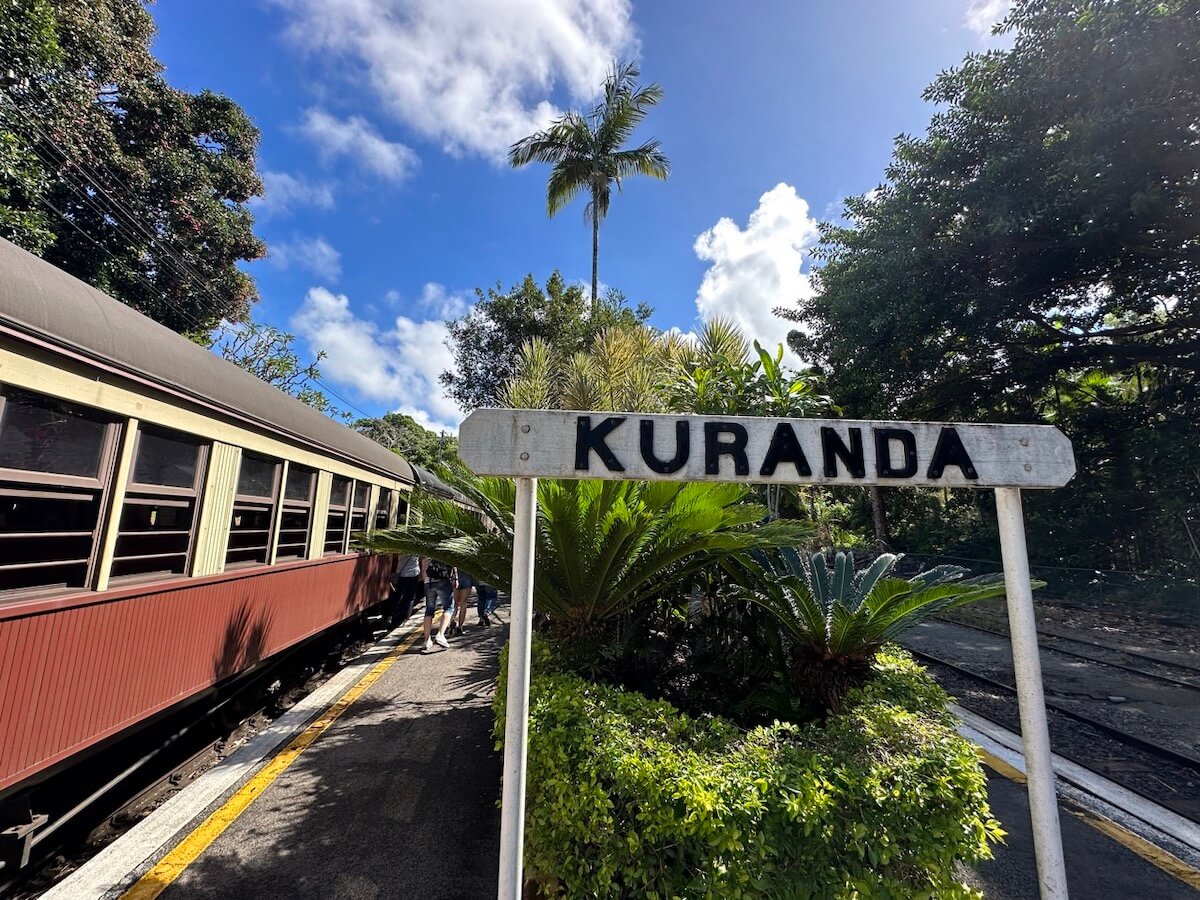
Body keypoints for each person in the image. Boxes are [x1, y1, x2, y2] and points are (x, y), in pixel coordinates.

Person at [421, 556, 456, 651]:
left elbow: (424, 567)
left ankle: (427, 640)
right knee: (449, 608)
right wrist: (455, 579)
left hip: (429, 582)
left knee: (429, 610)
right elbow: (453, 565)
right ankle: (440, 635)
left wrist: (426, 581)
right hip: (444, 581)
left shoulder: (426, 549)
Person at [389, 553, 421, 625]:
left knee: (398, 596)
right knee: (410, 597)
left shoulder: (401, 550)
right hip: (414, 573)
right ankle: (405, 617)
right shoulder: (416, 549)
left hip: (402, 574)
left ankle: (394, 617)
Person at [449, 569, 476, 637]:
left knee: (454, 604)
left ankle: (453, 619)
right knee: (463, 603)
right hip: (467, 577)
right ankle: (460, 627)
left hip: (456, 577)